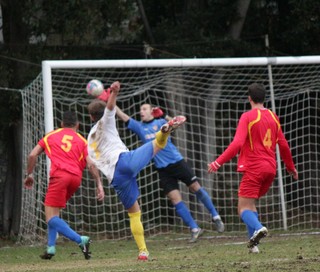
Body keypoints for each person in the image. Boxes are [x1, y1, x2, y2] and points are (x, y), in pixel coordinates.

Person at [87, 81, 186, 260]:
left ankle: (143, 251)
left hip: (115, 177)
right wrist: (114, 93)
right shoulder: (105, 122)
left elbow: (91, 165)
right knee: (157, 144)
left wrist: (99, 185)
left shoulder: (89, 139)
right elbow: (110, 109)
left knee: (134, 213)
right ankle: (164, 130)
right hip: (125, 161)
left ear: (91, 117)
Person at [208, 83, 298, 253]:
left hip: (254, 168)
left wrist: (217, 162)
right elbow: (284, 145)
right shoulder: (273, 116)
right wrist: (290, 167)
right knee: (250, 205)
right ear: (264, 98)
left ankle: (258, 228)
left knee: (242, 208)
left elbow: (237, 143)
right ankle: (253, 246)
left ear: (249, 98)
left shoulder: (248, 116)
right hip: (270, 169)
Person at [115, 103, 224, 242]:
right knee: (174, 198)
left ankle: (216, 217)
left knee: (195, 187)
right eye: (140, 109)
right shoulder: (139, 127)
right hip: (162, 169)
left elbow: (178, 121)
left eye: (144, 109)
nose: (141, 111)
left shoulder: (160, 121)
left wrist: (164, 115)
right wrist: (110, 102)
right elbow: (124, 116)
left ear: (151, 111)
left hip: (176, 162)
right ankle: (194, 229)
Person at [24, 110, 104, 260]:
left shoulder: (52, 136)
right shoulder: (82, 140)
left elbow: (32, 155)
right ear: (77, 125)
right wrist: (99, 184)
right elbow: (91, 165)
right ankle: (51, 247)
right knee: (54, 213)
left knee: (50, 218)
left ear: (61, 124)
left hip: (59, 176)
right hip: (75, 178)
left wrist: (29, 175)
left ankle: (81, 240)